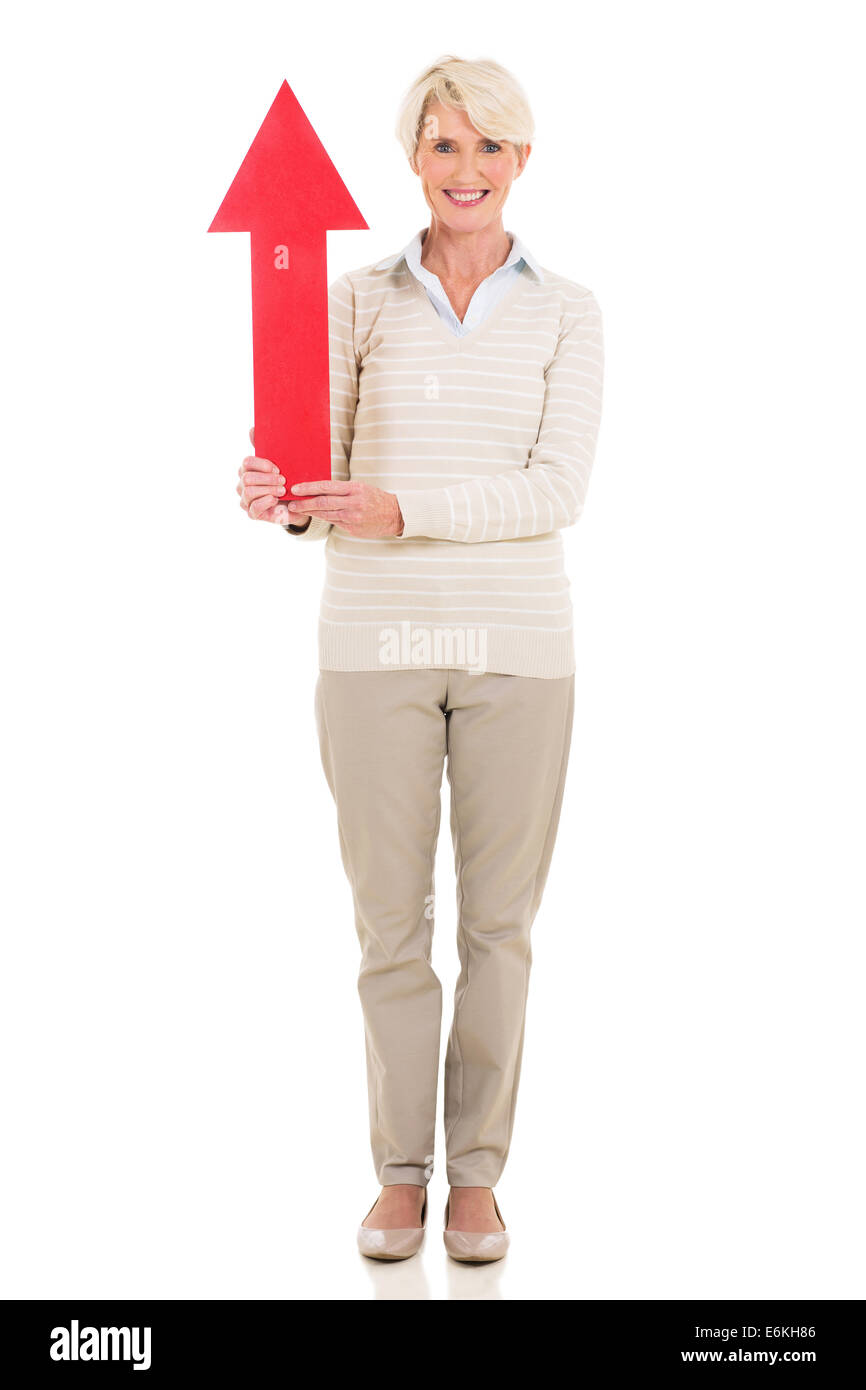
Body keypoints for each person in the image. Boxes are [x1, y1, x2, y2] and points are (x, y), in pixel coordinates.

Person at [237, 54, 604, 1262]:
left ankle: (478, 1180)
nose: (466, 170)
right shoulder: (351, 298)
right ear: (414, 158)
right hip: (373, 648)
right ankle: (400, 1175)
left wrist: (402, 508)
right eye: (443, 145)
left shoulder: (568, 309)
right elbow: (319, 473)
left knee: (499, 928)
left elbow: (555, 490)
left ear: (521, 160)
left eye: (488, 147)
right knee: (389, 927)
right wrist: (281, 494)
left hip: (519, 651)